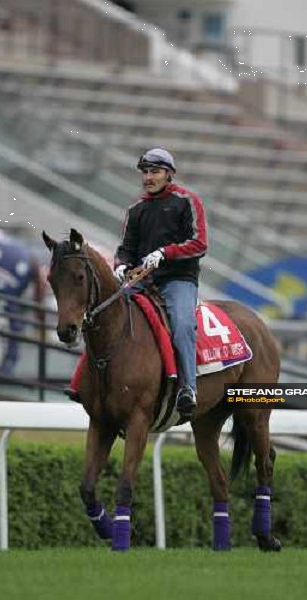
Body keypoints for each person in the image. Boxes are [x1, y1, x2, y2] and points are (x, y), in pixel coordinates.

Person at [114, 148, 208, 417]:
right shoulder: (136, 209)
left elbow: (200, 244)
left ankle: (188, 388)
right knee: (106, 313)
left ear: (169, 174)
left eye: (154, 171)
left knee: (182, 324)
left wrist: (165, 253)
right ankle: (85, 383)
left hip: (178, 279)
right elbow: (125, 249)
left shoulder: (187, 201)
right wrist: (120, 266)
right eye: (145, 172)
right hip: (142, 280)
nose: (148, 177)